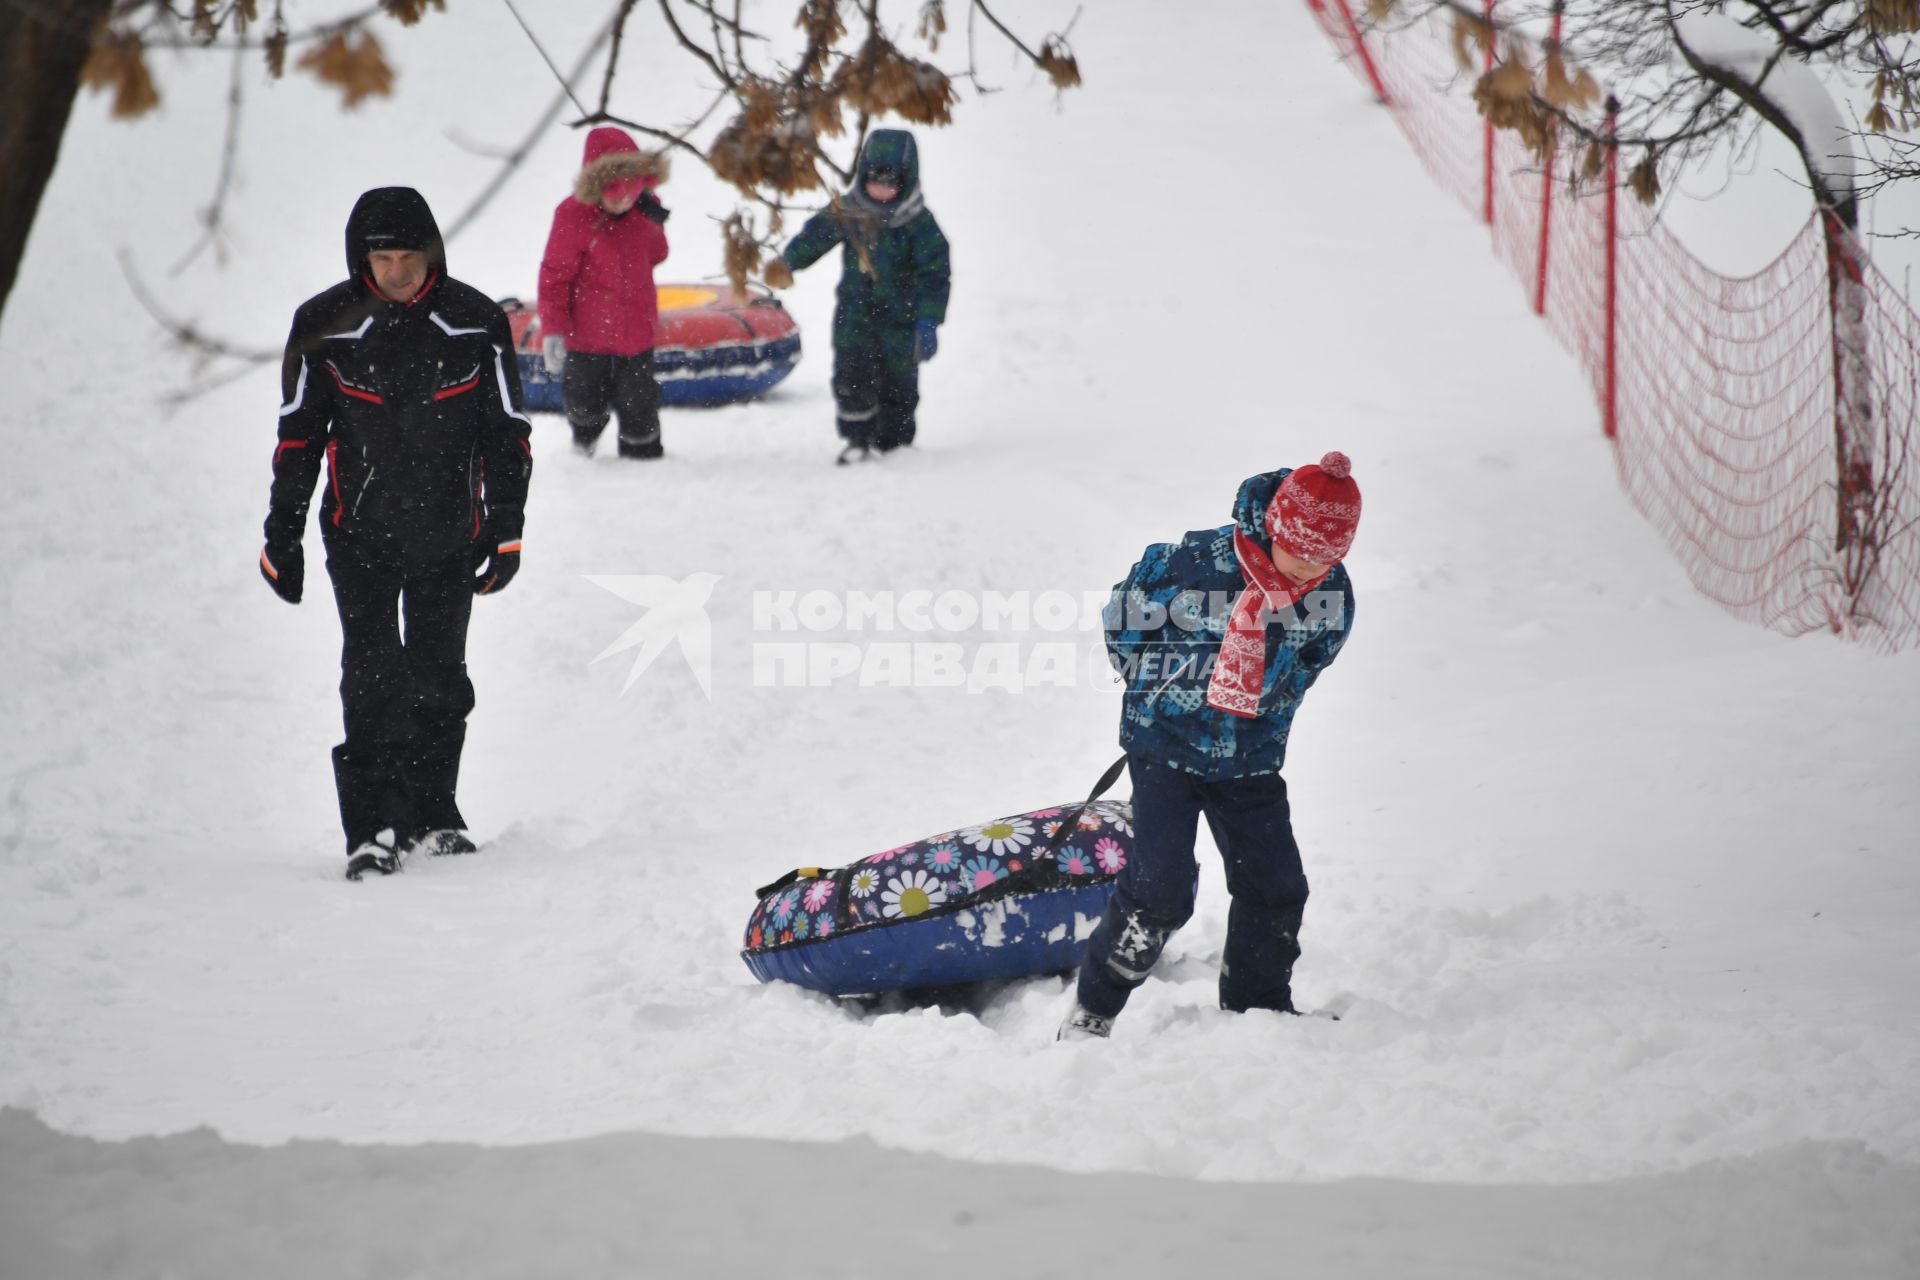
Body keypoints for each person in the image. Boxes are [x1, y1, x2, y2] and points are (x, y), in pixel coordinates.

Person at [258, 186, 533, 882]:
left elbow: (507, 435)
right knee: (374, 676)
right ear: (363, 259)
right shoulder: (323, 324)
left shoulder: (474, 322)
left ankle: (433, 814)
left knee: (441, 677)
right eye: (385, 258)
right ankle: (371, 827)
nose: (400, 272)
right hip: (360, 536)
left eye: (411, 256)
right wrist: (281, 535)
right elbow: (298, 439)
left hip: (450, 534)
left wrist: (507, 528)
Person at [1060, 454, 1362, 1040]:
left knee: (1276, 887)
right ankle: (1095, 1007)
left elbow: (1311, 663)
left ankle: (1257, 1006)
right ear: (1275, 529)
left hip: (1248, 760)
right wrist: (1155, 688)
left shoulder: (1332, 595)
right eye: (1299, 554)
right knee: (1159, 894)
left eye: (1325, 560)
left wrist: (1266, 701)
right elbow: (1124, 618)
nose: (1308, 570)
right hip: (1165, 753)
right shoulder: (1197, 564)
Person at [762, 128, 950, 462]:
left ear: (905, 182)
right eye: (874, 180)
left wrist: (928, 321)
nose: (880, 190)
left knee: (900, 384)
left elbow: (935, 275)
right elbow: (815, 236)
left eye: (890, 183)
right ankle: (857, 440)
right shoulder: (849, 211)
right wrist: (789, 261)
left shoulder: (918, 223)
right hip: (856, 316)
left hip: (901, 322)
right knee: (852, 376)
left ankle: (896, 446)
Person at [538, 127, 671, 459]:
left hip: (637, 332)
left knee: (640, 401)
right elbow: (554, 278)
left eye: (631, 190)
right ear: (595, 187)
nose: (624, 199)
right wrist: (553, 329)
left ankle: (643, 455)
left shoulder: (645, 211)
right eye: (614, 193)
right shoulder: (572, 216)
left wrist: (652, 219)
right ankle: (583, 444)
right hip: (587, 335)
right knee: (584, 400)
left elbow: (658, 253)